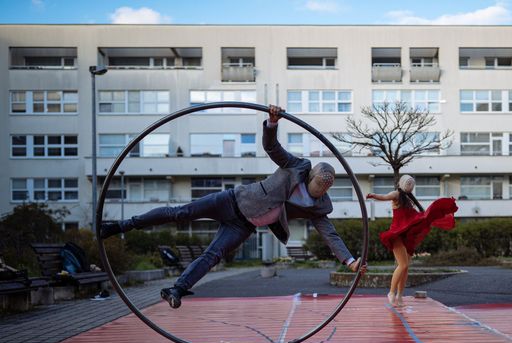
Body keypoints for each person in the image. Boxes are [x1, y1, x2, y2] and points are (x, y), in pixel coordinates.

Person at [101, 105, 365, 309]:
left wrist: (351, 261)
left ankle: (177, 290)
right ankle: (121, 225)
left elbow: (329, 234)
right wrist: (272, 122)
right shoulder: (297, 166)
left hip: (244, 225)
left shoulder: (318, 206)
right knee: (180, 213)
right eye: (315, 186)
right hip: (231, 201)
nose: (317, 192)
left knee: (213, 255)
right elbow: (272, 147)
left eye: (323, 190)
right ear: (310, 177)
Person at [366, 175, 457, 305]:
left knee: (406, 267)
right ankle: (391, 292)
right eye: (408, 184)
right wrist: (373, 195)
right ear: (403, 184)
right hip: (397, 234)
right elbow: (385, 197)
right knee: (402, 265)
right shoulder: (396, 194)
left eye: (412, 185)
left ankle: (400, 296)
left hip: (407, 236)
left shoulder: (409, 199)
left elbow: (414, 217)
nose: (410, 187)